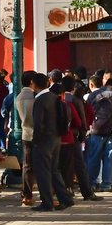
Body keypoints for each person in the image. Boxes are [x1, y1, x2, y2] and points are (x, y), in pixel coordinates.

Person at [29, 72, 73, 212]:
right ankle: (65, 198)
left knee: (43, 172)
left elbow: (38, 124)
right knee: (54, 170)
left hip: (44, 141)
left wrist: (35, 141)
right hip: (56, 138)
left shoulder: (40, 101)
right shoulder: (54, 97)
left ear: (33, 84)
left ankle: (47, 202)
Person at [15, 72, 38, 206]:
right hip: (36, 132)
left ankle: (26, 193)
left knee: (27, 165)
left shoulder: (18, 97)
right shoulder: (35, 96)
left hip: (25, 133)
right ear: (31, 82)